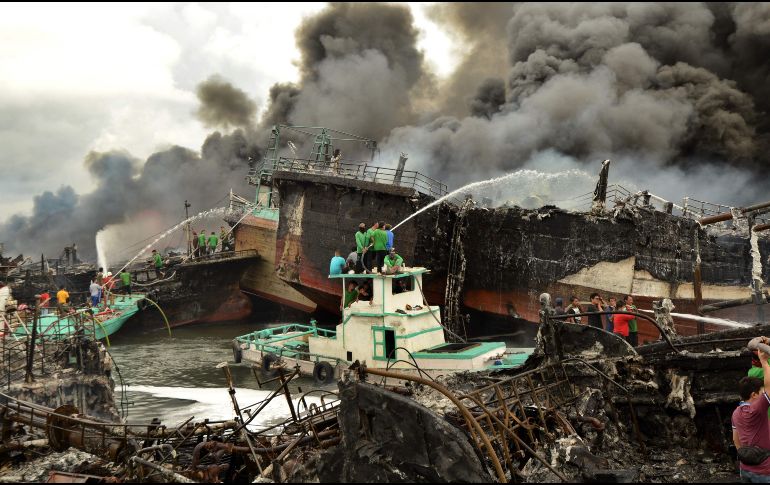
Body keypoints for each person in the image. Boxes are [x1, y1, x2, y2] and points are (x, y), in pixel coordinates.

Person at [732, 343, 770, 482]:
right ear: (754, 395)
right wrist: (764, 361)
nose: (763, 394)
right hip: (765, 473)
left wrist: (748, 458)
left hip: (745, 469)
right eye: (761, 393)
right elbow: (769, 387)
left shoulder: (736, 412)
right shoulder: (758, 409)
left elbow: (736, 441)